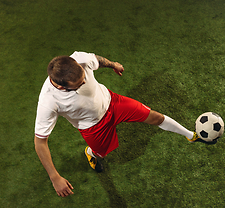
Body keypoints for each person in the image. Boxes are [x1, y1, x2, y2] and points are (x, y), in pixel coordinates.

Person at [34, 51, 207, 197]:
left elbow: (96, 59)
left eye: (84, 76)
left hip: (113, 102)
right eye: (79, 85)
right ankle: (91, 153)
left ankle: (189, 135)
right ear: (62, 88)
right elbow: (40, 142)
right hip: (93, 127)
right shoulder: (48, 101)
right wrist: (54, 177)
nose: (85, 81)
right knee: (101, 153)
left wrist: (113, 64)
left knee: (153, 116)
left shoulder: (80, 59)